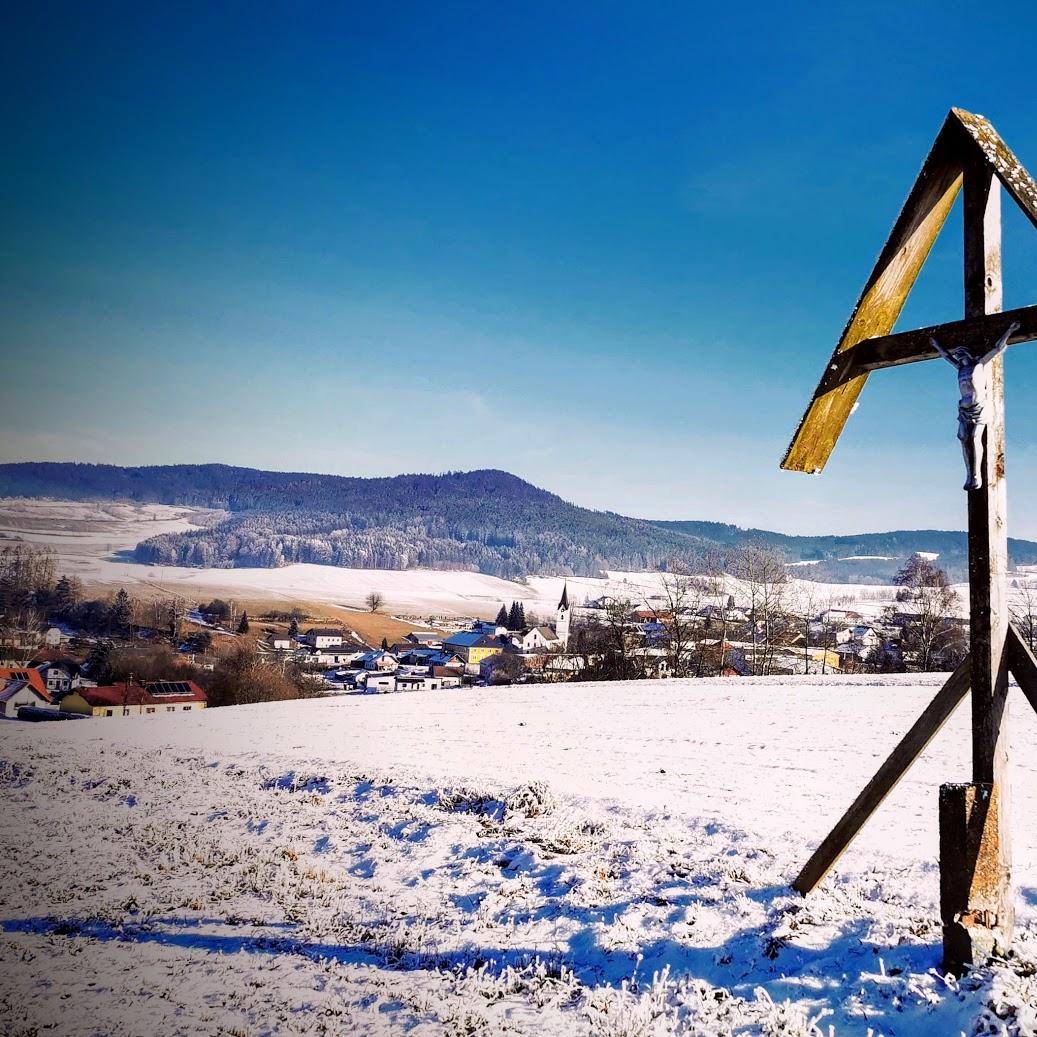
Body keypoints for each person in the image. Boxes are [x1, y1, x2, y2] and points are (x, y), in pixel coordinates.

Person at [931, 321, 1019, 491]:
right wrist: (936, 345)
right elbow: (946, 357)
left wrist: (1009, 330)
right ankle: (969, 474)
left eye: (961, 355)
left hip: (979, 408)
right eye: (957, 356)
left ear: (968, 354)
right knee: (963, 438)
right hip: (964, 410)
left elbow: (997, 348)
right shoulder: (959, 369)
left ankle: (976, 475)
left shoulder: (979, 365)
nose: (958, 357)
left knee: (973, 437)